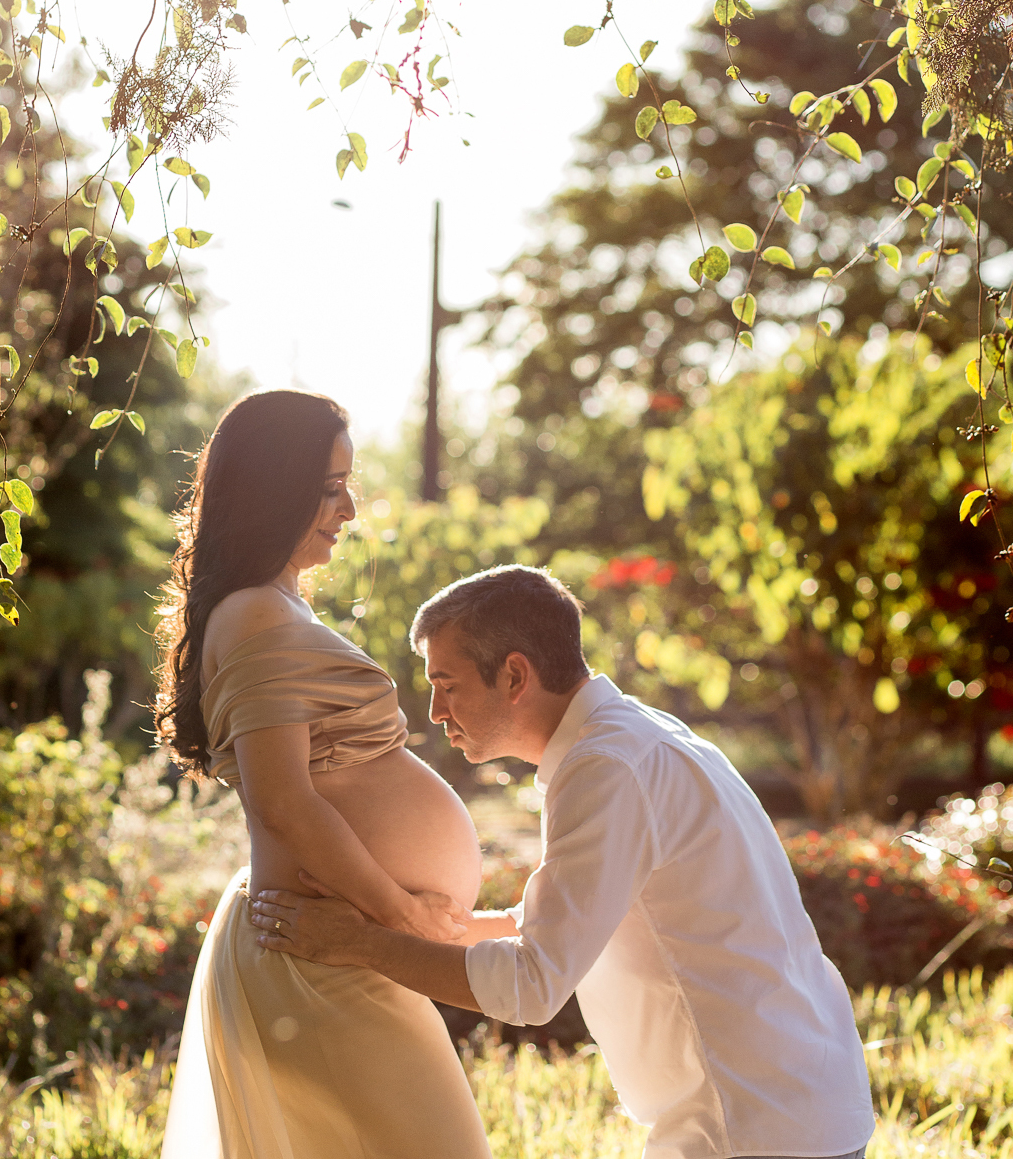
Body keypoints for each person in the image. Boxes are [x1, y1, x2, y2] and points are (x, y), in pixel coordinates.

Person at [251, 565, 876, 1159]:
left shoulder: (607, 768)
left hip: (751, 1125)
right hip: (797, 1106)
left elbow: (531, 986)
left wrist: (360, 945)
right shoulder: (636, 738)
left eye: (447, 685)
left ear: (515, 675)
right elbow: (565, 918)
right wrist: (425, 921)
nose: (437, 713)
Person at [155, 390, 491, 1159]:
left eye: (348, 488)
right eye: (329, 489)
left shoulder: (273, 608)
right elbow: (285, 806)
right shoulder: (254, 615)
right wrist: (402, 919)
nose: (347, 511)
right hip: (320, 954)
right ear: (274, 492)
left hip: (337, 950)